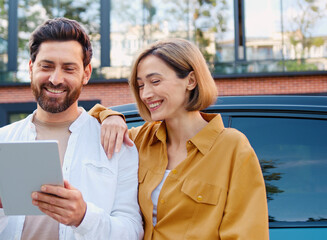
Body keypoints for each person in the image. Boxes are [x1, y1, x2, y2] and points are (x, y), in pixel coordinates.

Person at [0, 17, 143, 240]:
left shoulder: (117, 144)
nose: (55, 79)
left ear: (86, 73)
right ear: (31, 68)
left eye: (69, 68)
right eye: (47, 66)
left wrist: (84, 217)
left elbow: (133, 231)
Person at [89, 38, 269, 239]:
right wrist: (109, 115)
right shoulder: (137, 140)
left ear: (190, 81)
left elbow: (247, 233)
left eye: (155, 81)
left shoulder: (232, 148)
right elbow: (80, 130)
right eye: (140, 85)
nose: (146, 94)